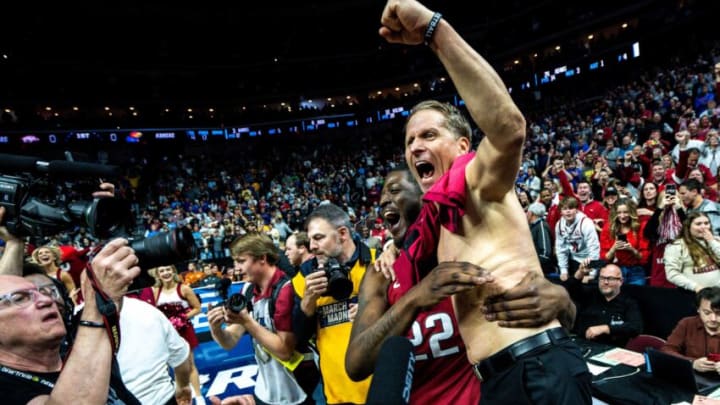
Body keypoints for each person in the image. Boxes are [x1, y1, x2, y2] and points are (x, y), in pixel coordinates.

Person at [378, 1, 591, 403]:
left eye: (427, 136)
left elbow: (510, 130)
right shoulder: (436, 223)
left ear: (462, 147)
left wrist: (433, 30)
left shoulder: (475, 179)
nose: (415, 147)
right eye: (409, 141)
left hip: (535, 370)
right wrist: (389, 249)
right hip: (500, 379)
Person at [347, 167, 577, 404]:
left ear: (427, 197)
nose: (384, 200)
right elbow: (355, 364)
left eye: (395, 190)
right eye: (383, 194)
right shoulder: (383, 273)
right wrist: (415, 297)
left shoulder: (472, 251)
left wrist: (561, 301)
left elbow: (565, 321)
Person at [0, 239, 150, 404]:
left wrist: (15, 241)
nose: (46, 300)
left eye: (47, 291)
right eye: (20, 298)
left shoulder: (77, 343)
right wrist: (98, 305)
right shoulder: (6, 385)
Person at [209, 233, 316, 405]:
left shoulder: (286, 290)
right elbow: (230, 341)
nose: (236, 268)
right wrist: (215, 328)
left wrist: (247, 322)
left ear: (262, 259)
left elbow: (284, 351)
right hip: (265, 390)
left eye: (241, 261)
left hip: (294, 391)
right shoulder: (248, 289)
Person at [292, 203, 373, 404]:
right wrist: (308, 300)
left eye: (318, 238)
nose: (312, 246)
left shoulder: (378, 262)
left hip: (384, 387)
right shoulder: (304, 277)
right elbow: (298, 341)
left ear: (343, 234)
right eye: (310, 239)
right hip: (337, 395)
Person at [143, 264, 203, 397]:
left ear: (173, 271)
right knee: (175, 367)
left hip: (184, 330)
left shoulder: (184, 289)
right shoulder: (154, 291)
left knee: (190, 365)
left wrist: (182, 318)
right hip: (165, 334)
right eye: (162, 270)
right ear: (158, 274)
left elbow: (197, 308)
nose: (165, 273)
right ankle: (184, 399)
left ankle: (199, 397)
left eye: (168, 269)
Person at [566, 263, 643, 347]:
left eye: (610, 279)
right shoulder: (589, 295)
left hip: (611, 350)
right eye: (602, 278)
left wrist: (606, 328)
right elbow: (567, 289)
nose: (605, 282)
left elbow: (635, 327)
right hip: (583, 345)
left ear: (620, 281)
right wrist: (579, 273)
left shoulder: (628, 303)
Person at [662, 287, 720, 374]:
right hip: (694, 376)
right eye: (707, 313)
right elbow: (666, 350)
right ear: (698, 309)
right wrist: (692, 363)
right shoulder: (687, 324)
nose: (713, 319)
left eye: (718, 313)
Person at [664, 211, 720, 292]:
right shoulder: (676, 246)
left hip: (717, 293)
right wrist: (696, 288)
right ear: (688, 227)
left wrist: (712, 242)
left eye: (706, 223)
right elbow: (672, 274)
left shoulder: (716, 241)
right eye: (698, 224)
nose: (704, 227)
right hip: (693, 294)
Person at [599, 198, 651, 285]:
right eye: (619, 213)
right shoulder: (608, 228)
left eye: (626, 212)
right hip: (615, 271)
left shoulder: (640, 226)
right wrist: (614, 248)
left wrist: (632, 249)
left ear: (631, 212)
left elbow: (644, 258)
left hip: (636, 271)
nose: (622, 216)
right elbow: (604, 259)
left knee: (636, 297)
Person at [555, 197, 601, 281]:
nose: (568, 211)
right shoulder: (559, 225)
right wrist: (563, 270)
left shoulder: (586, 223)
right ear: (561, 212)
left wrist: (592, 273)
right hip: (573, 259)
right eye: (565, 209)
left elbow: (594, 248)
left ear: (576, 210)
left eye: (571, 208)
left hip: (588, 260)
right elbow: (560, 249)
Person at [527, 201, 555, 275]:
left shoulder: (541, 226)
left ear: (531, 213)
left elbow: (545, 253)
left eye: (527, 212)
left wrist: (531, 265)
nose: (526, 214)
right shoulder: (534, 226)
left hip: (542, 270)